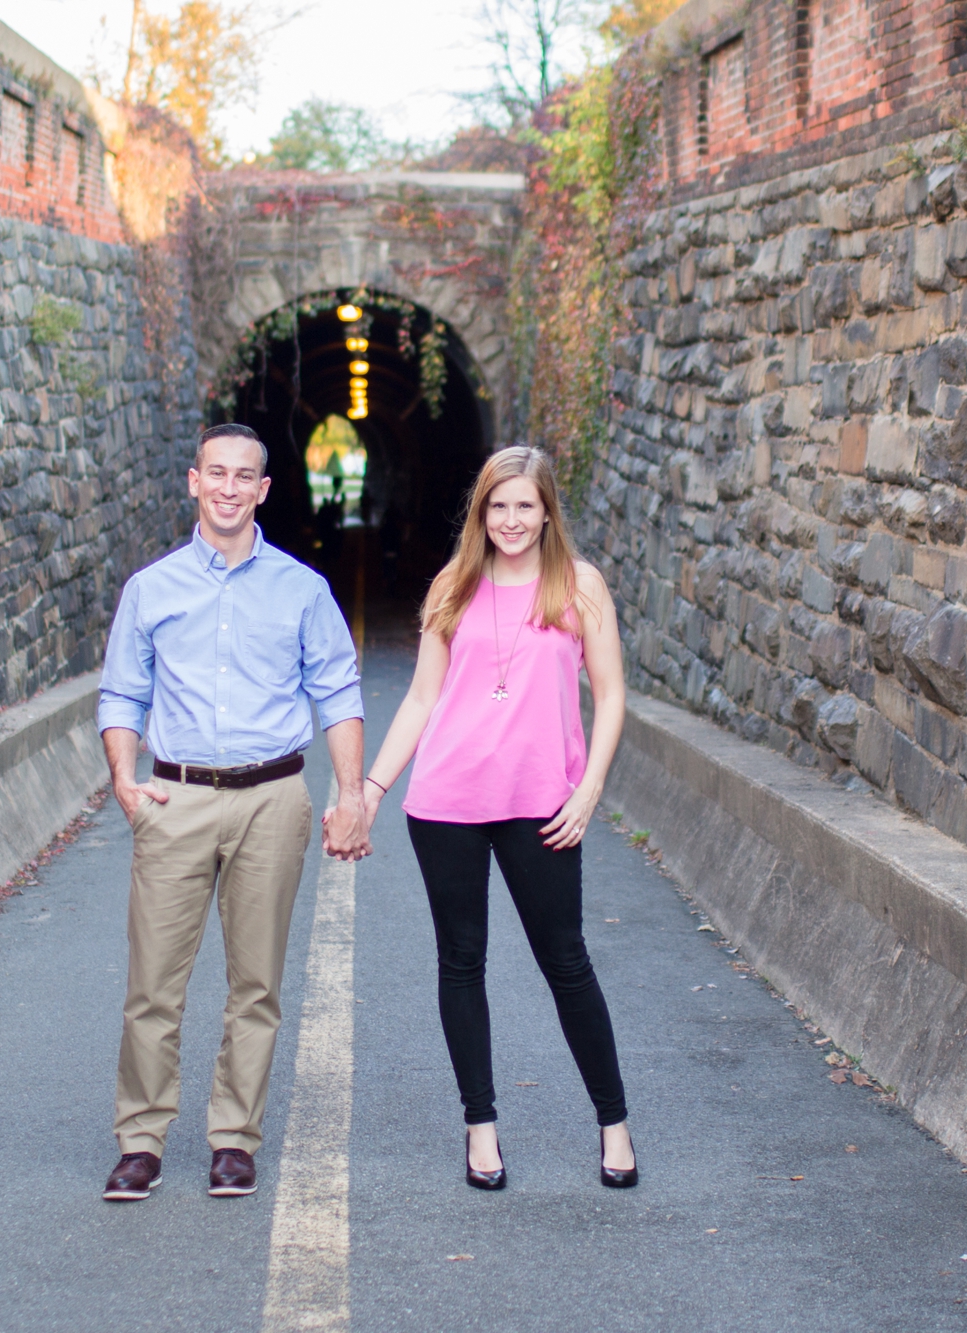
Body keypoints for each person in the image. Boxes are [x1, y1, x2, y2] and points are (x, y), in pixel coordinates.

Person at [96, 423, 371, 1203]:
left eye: (242, 475)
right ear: (193, 481)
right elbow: (123, 693)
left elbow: (337, 694)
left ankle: (233, 1138)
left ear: (263, 490)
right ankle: (141, 1140)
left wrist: (351, 795)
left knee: (257, 983)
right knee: (154, 984)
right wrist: (125, 779)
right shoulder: (150, 589)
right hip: (175, 796)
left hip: (273, 798)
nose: (227, 487)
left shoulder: (303, 590)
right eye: (215, 473)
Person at [360, 445, 636, 1191]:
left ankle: (614, 1124)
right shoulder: (453, 585)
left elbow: (609, 695)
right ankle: (481, 1128)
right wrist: (374, 787)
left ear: (547, 511)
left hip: (543, 803)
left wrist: (588, 790)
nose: (511, 520)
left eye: (525, 505)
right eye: (498, 506)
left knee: (566, 961)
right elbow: (422, 697)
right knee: (462, 960)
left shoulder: (580, 587)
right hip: (446, 801)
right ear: (481, 512)